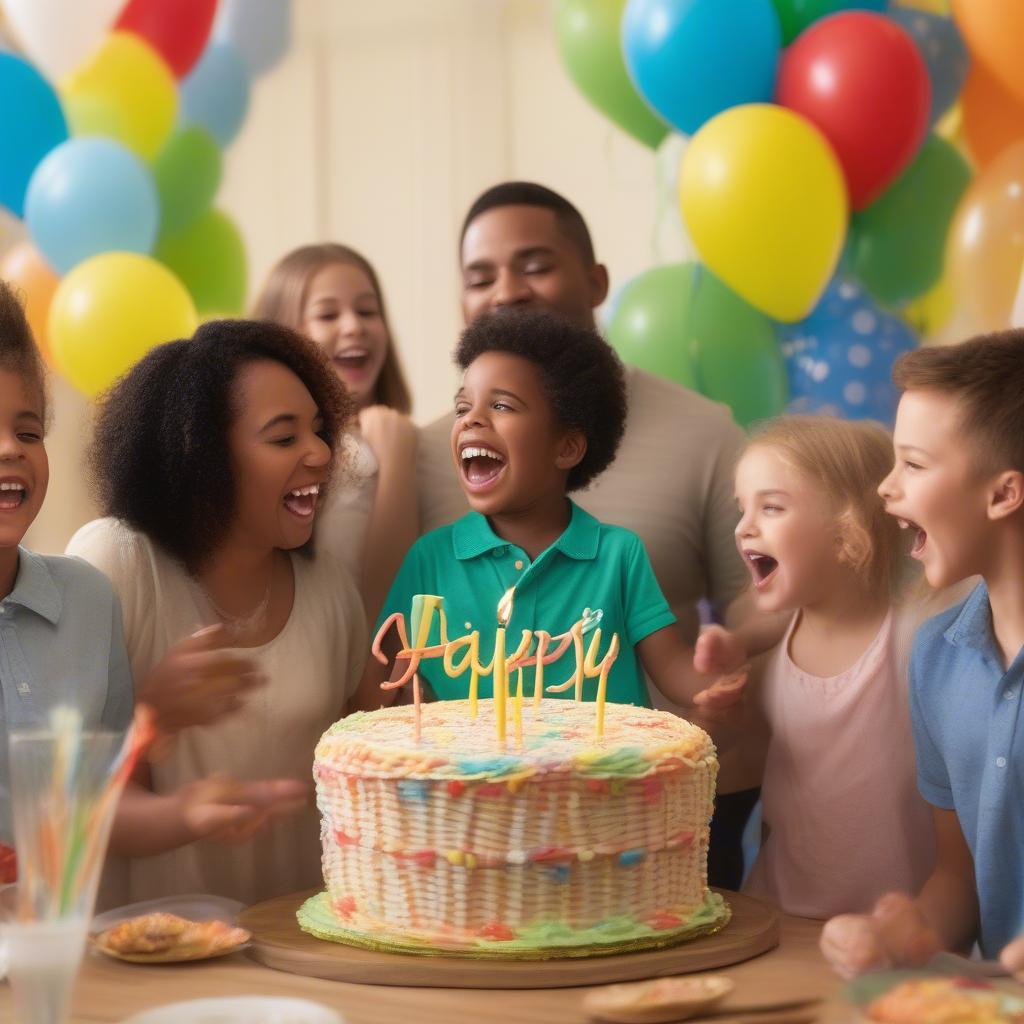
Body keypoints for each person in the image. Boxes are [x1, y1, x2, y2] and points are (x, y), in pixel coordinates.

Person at [417, 182, 780, 888]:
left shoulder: (703, 430)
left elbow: (755, 597)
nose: (508, 291)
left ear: (596, 280)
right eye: (480, 276)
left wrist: (728, 664)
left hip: (663, 803)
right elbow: (401, 639)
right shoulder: (432, 452)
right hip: (473, 819)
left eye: (534, 264)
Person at [0, 283, 304, 888]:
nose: (10, 449)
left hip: (73, 963)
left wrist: (184, 811)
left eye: (28, 432)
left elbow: (98, 806)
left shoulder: (86, 599)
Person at [67, 319, 367, 905]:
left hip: (298, 951)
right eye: (284, 439)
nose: (321, 453)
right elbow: (58, 801)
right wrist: (151, 721)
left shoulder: (330, 587)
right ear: (202, 457)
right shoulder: (118, 563)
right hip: (153, 958)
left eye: (319, 430)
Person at [353, 309, 746, 716]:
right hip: (468, 781)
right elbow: (377, 688)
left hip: (603, 779)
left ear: (567, 448)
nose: (472, 419)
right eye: (462, 407)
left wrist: (711, 682)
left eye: (502, 406)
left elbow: (672, 667)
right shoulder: (429, 560)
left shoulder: (618, 555)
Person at [819, 330, 1024, 976]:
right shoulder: (935, 658)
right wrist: (901, 936)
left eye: (913, 463)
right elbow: (958, 879)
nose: (885, 487)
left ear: (1003, 494)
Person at [706, 416, 935, 919]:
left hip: (900, 928)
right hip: (781, 914)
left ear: (849, 528)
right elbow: (748, 748)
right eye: (742, 508)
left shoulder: (915, 640)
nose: (744, 527)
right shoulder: (772, 656)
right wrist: (720, 716)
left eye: (771, 507)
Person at [252, 243, 418, 624]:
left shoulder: (401, 436)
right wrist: (395, 464)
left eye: (367, 311)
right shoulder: (345, 455)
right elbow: (383, 615)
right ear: (284, 338)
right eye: (328, 314)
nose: (354, 326)